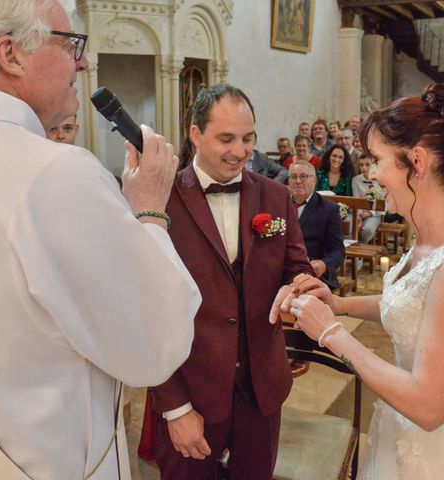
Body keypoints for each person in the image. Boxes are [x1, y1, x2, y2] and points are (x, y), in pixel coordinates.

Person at [0, 1, 201, 479]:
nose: (81, 62)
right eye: (69, 45)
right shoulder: (53, 174)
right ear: (10, 53)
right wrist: (148, 209)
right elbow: (156, 345)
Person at [275, 83, 444, 479]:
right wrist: (340, 305)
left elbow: (429, 407)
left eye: (378, 160)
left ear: (416, 161)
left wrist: (331, 332)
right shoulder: (434, 234)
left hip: (441, 455)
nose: (373, 174)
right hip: (402, 434)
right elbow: (413, 304)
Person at [149, 83, 314, 479]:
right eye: (226, 139)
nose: (240, 151)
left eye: (247, 138)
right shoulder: (158, 201)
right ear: (195, 135)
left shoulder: (275, 197)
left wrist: (304, 288)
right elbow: (145, 311)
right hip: (192, 395)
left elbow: (296, 267)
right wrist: (174, 406)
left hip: (262, 394)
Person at [289, 161, 345, 291]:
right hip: (282, 271)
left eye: (303, 176)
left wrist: (324, 264)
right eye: (293, 177)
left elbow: (338, 250)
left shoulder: (328, 209)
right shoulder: (279, 204)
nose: (298, 181)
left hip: (313, 273)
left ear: (314, 180)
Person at [352, 155, 383, 243]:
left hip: (375, 214)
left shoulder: (381, 179)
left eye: (367, 164)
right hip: (359, 212)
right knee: (352, 228)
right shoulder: (356, 180)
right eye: (361, 165)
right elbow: (356, 199)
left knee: (367, 230)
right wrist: (359, 217)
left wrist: (371, 213)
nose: (364, 167)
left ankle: (361, 247)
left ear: (373, 165)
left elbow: (385, 204)